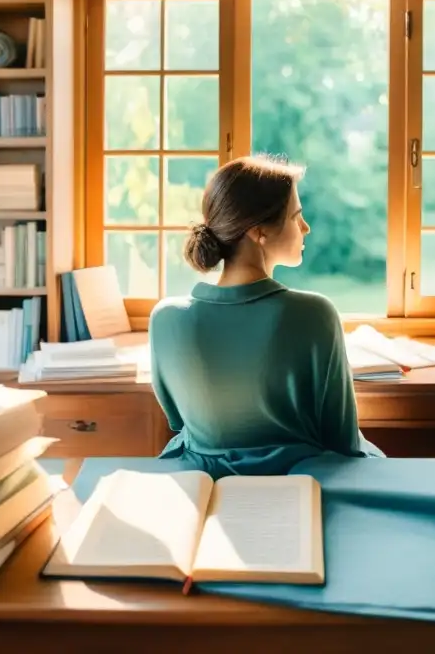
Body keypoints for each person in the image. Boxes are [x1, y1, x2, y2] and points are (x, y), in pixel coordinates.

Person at [148, 154, 385, 478]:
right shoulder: (315, 314)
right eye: (296, 217)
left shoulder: (166, 320)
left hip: (205, 483)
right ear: (259, 232)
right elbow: (342, 439)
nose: (306, 227)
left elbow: (180, 422)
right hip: (302, 485)